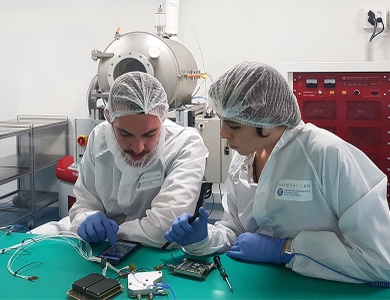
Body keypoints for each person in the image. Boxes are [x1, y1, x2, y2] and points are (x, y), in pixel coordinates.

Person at [164, 61, 390, 284]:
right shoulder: (244, 157)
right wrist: (202, 238)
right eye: (223, 121)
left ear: (267, 121)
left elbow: (379, 260)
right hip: (265, 285)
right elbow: (236, 231)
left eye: (234, 126)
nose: (223, 134)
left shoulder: (325, 154)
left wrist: (286, 249)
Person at [33, 72, 208, 248]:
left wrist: (111, 234)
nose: (138, 147)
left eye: (149, 134)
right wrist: (85, 220)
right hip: (100, 246)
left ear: (162, 117)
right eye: (125, 134)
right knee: (36, 239)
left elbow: (162, 226)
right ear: (108, 117)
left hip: (156, 252)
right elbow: (84, 203)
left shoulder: (185, 144)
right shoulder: (99, 137)